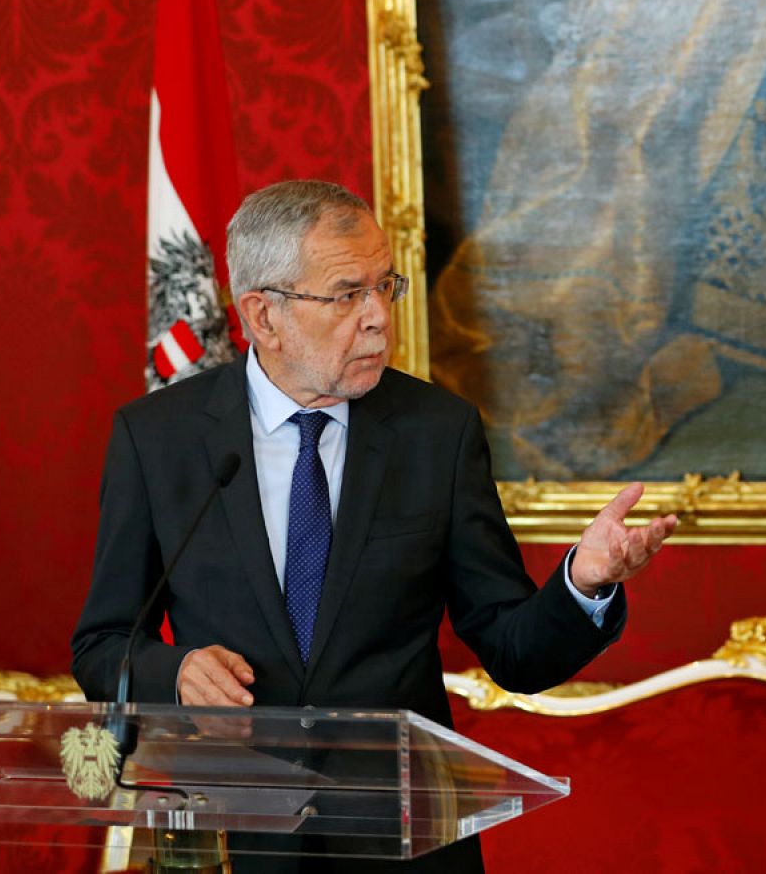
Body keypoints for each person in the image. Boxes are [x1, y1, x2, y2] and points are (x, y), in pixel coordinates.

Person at [71, 180, 677, 872]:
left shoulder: (436, 433)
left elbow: (515, 650)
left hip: (403, 841)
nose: (378, 318)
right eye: (347, 294)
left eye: (386, 287)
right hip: (234, 843)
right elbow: (102, 644)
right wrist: (175, 671)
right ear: (263, 316)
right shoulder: (160, 439)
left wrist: (584, 584)